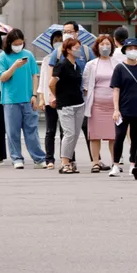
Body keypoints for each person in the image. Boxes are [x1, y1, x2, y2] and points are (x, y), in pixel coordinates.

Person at [0, 29, 45, 169]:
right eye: (16, 43)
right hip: (10, 100)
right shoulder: (3, 57)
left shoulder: (28, 55)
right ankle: (16, 158)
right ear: (9, 43)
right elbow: (2, 77)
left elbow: (35, 75)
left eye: (21, 43)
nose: (19, 46)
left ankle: (39, 158)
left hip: (28, 99)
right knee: (13, 131)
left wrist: (34, 95)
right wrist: (14, 66)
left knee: (32, 130)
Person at [109, 38, 137, 177]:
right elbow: (116, 89)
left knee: (135, 137)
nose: (133, 51)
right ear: (125, 51)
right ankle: (115, 165)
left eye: (135, 48)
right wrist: (116, 109)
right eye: (130, 48)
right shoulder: (120, 68)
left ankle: (133, 164)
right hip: (123, 108)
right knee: (119, 136)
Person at [51, 38, 86, 174]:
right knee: (69, 133)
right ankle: (64, 162)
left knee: (76, 134)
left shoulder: (76, 65)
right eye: (76, 48)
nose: (79, 50)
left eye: (79, 47)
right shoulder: (61, 65)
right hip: (65, 104)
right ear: (68, 50)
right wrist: (54, 96)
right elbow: (51, 83)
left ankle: (70, 160)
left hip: (78, 103)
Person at [84, 35, 119, 172]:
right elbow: (86, 86)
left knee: (113, 136)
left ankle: (115, 162)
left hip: (113, 105)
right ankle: (95, 162)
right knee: (95, 135)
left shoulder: (117, 63)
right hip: (96, 105)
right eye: (102, 44)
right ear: (97, 47)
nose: (105, 47)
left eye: (108, 44)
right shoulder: (91, 64)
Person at [38, 29, 63, 169]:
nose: (58, 42)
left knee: (65, 131)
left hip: (65, 99)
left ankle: (66, 158)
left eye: (60, 39)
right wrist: (42, 98)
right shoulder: (47, 59)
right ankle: (49, 159)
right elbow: (43, 80)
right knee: (50, 130)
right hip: (49, 99)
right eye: (55, 40)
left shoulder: (69, 59)